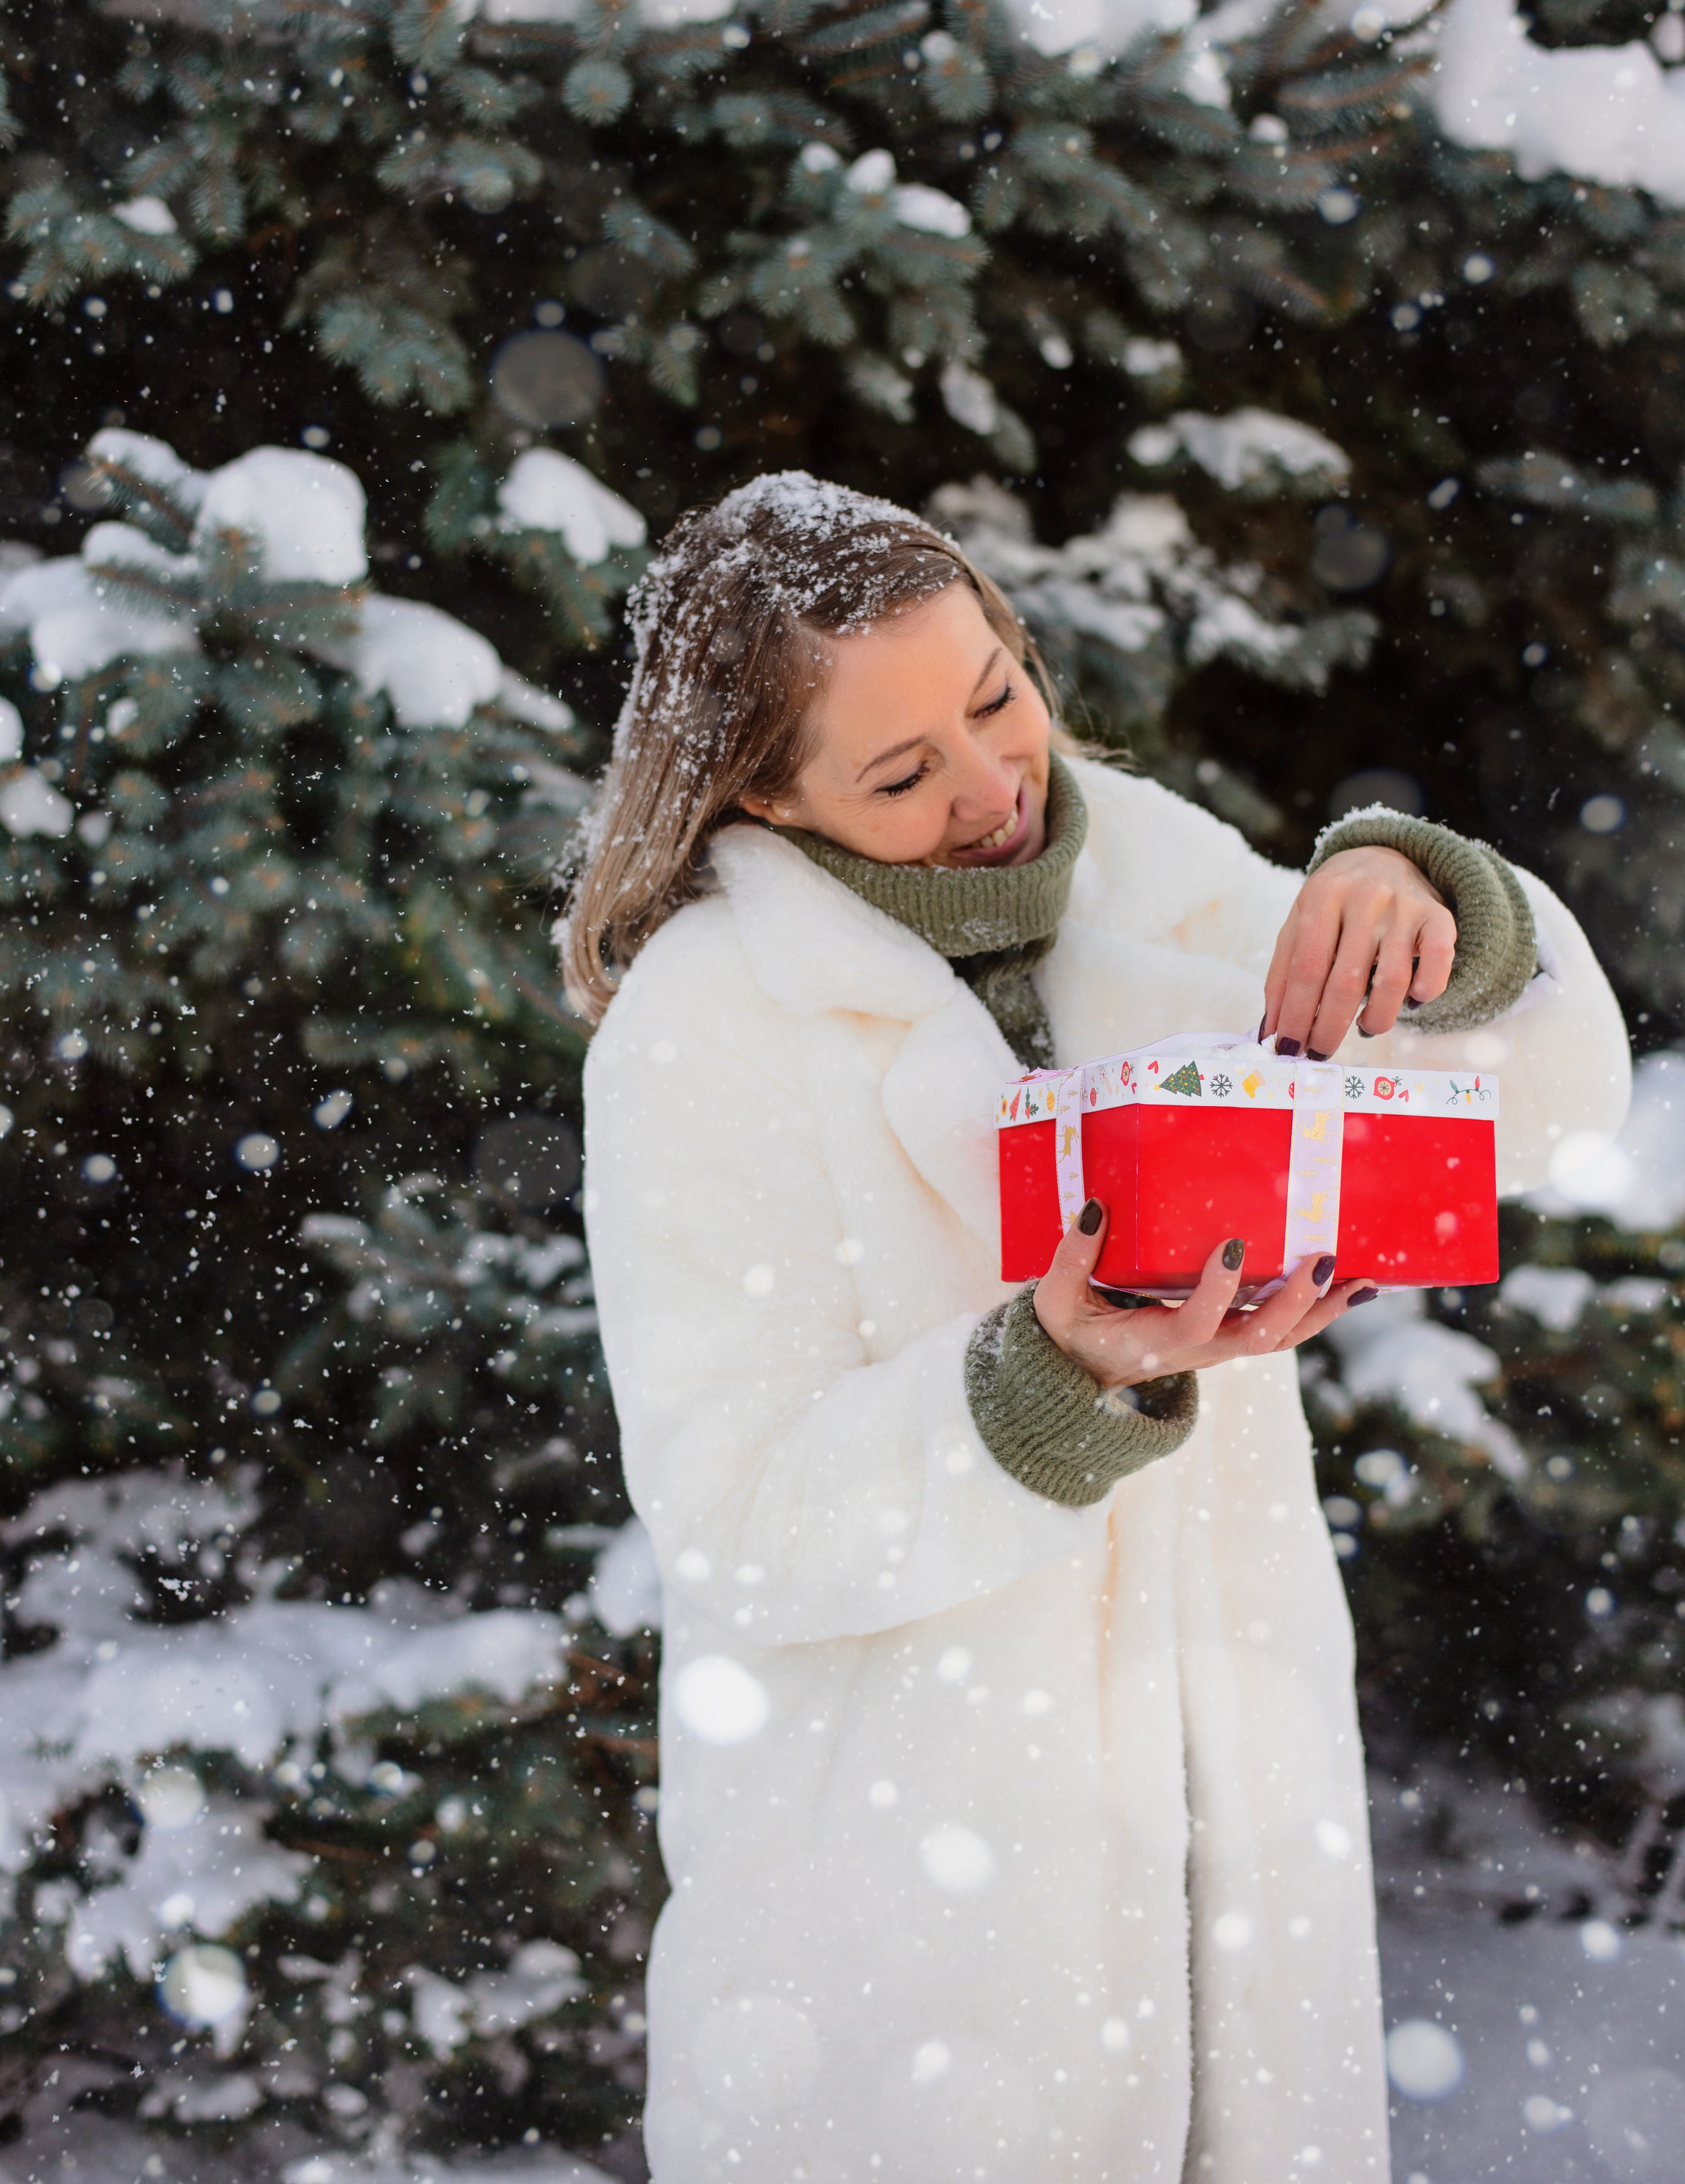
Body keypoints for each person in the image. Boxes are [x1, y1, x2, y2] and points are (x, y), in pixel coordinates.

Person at [565, 474, 1629, 2184]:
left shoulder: (1165, 875)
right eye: (903, 773)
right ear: (762, 787)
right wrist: (1045, 1383)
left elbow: (1534, 1113)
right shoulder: (707, 1033)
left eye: (998, 697)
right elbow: (744, 1519)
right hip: (921, 1910)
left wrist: (1445, 913)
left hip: (1232, 1821)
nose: (997, 788)